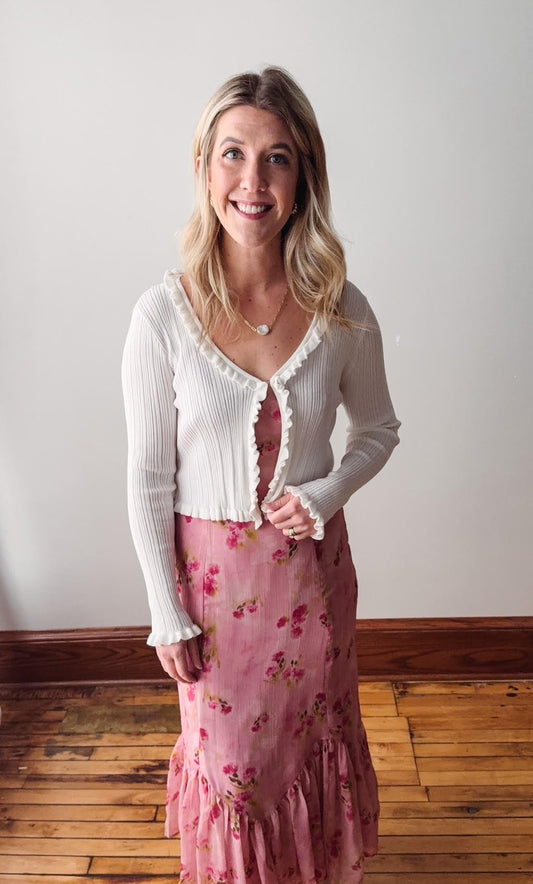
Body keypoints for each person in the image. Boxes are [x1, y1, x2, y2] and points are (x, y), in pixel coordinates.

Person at [122, 66, 400, 884]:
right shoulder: (161, 315)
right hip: (211, 597)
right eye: (233, 154)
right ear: (205, 167)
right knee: (235, 775)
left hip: (313, 588)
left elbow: (378, 430)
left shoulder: (340, 307)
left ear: (303, 173)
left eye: (276, 158)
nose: (253, 181)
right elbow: (146, 481)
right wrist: (165, 612)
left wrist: (324, 491)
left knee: (315, 752)